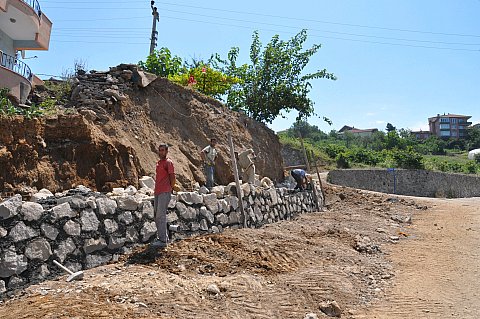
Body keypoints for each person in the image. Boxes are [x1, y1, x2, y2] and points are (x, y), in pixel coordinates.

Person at [152, 143, 176, 248]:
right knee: (156, 215)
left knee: (160, 215)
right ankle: (161, 237)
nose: (161, 152)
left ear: (166, 151)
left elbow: (172, 177)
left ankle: (163, 240)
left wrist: (171, 188)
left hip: (164, 191)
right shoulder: (159, 163)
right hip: (157, 192)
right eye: (160, 150)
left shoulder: (168, 163)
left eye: (163, 150)